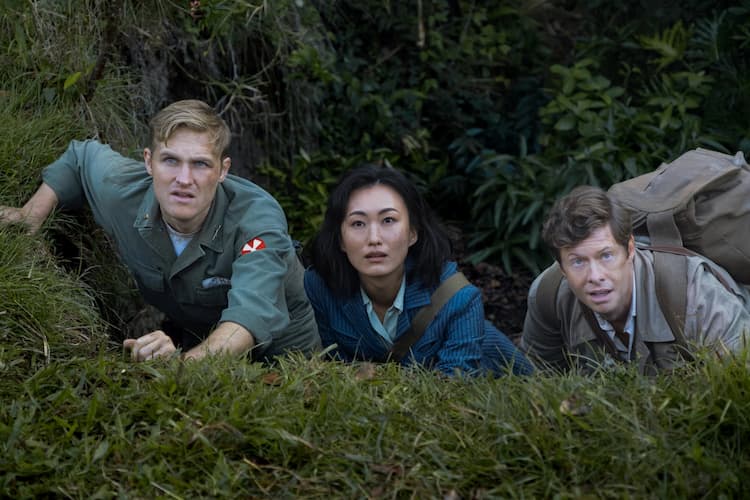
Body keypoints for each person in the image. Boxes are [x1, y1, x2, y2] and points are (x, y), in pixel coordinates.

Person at [0, 99, 320, 362]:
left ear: (223, 170)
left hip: (285, 350)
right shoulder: (124, 193)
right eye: (171, 161)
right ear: (149, 162)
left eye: (200, 164)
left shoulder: (257, 220)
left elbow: (249, 314)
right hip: (200, 337)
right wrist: (32, 213)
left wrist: (179, 369)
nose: (183, 179)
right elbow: (81, 159)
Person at [303, 163, 533, 377]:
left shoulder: (458, 298)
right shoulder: (319, 286)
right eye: (358, 223)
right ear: (341, 239)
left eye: (388, 220)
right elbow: (332, 369)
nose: (374, 239)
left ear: (413, 232)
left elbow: (453, 388)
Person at [521, 185, 750, 374]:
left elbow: (740, 388)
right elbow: (541, 388)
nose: (595, 276)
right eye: (578, 262)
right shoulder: (548, 295)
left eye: (606, 256)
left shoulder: (693, 292)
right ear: (561, 267)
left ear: (630, 249)